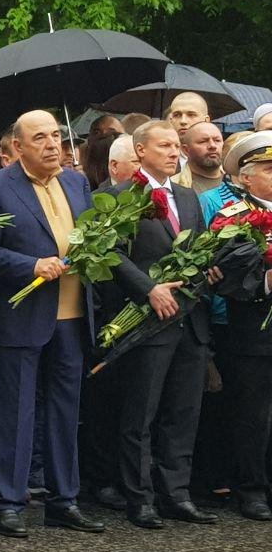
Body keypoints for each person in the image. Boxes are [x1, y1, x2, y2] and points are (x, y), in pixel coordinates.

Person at [0, 109, 103, 539]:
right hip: (25, 313)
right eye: (40, 138)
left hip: (74, 314)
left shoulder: (76, 181)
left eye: (57, 136)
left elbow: (91, 235)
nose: (52, 145)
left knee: (67, 410)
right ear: (19, 147)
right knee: (16, 410)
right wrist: (31, 265)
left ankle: (64, 500)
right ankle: (8, 502)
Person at [103, 120, 218, 529]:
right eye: (165, 146)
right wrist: (148, 288)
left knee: (183, 411)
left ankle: (177, 494)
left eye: (176, 146)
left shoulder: (187, 197)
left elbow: (201, 247)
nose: (175, 152)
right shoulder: (119, 197)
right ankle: (140, 497)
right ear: (140, 152)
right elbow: (111, 254)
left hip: (190, 319)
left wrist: (209, 271)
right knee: (142, 412)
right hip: (150, 320)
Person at [212, 131, 272, 521]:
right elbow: (227, 273)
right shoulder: (233, 217)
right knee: (253, 412)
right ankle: (250, 488)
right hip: (253, 332)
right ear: (246, 178)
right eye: (269, 168)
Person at [176, 122, 225, 194]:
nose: (212, 146)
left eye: (217, 140)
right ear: (186, 150)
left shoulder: (239, 179)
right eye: (203, 141)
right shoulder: (175, 186)